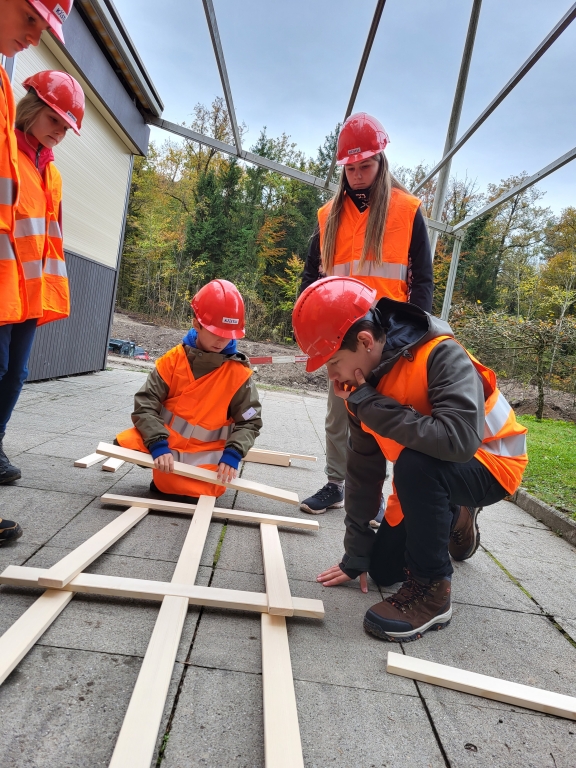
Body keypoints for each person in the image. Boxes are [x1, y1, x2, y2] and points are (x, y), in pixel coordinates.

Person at [293, 276, 528, 642]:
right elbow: (363, 471)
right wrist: (355, 554)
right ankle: (453, 514)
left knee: (417, 467)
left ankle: (433, 592)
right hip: (426, 471)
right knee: (383, 568)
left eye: (334, 361)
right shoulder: (361, 389)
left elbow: (458, 440)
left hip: (491, 462)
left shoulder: (440, 353)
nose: (332, 376)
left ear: (366, 341)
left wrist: (369, 404)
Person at [298, 113, 433, 516]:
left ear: (381, 162)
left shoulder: (407, 211)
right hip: (341, 337)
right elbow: (311, 278)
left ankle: (382, 496)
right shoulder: (329, 217)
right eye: (350, 168)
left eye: (365, 166)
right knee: (339, 413)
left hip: (388, 338)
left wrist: (414, 332)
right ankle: (335, 484)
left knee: (384, 417)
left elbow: (422, 279)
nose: (357, 175)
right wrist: (310, 326)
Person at [0, 0, 74, 546]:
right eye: (53, 121)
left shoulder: (52, 177)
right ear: (32, 108)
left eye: (65, 128)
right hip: (3, 288)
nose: (57, 134)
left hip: (26, 293)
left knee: (15, 377)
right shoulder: (9, 150)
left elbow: (48, 241)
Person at [116, 280, 263, 501]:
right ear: (197, 323)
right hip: (167, 445)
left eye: (229, 334)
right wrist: (157, 444)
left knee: (196, 488)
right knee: (122, 443)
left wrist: (233, 455)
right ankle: (169, 475)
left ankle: (181, 481)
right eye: (215, 331)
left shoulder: (238, 374)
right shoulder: (173, 361)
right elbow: (146, 404)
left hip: (208, 454)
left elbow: (250, 421)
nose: (222, 339)